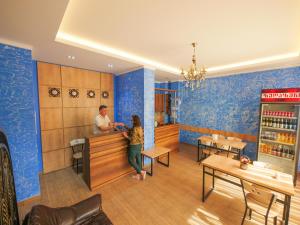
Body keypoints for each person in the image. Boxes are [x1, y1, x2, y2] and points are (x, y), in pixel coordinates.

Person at [122, 115, 146, 180]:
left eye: (132, 120)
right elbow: (130, 130)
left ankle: (141, 172)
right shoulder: (139, 127)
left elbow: (132, 139)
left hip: (134, 146)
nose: (131, 121)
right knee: (138, 159)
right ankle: (138, 175)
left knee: (130, 160)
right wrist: (124, 125)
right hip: (139, 145)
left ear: (135, 121)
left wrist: (125, 136)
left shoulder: (135, 128)